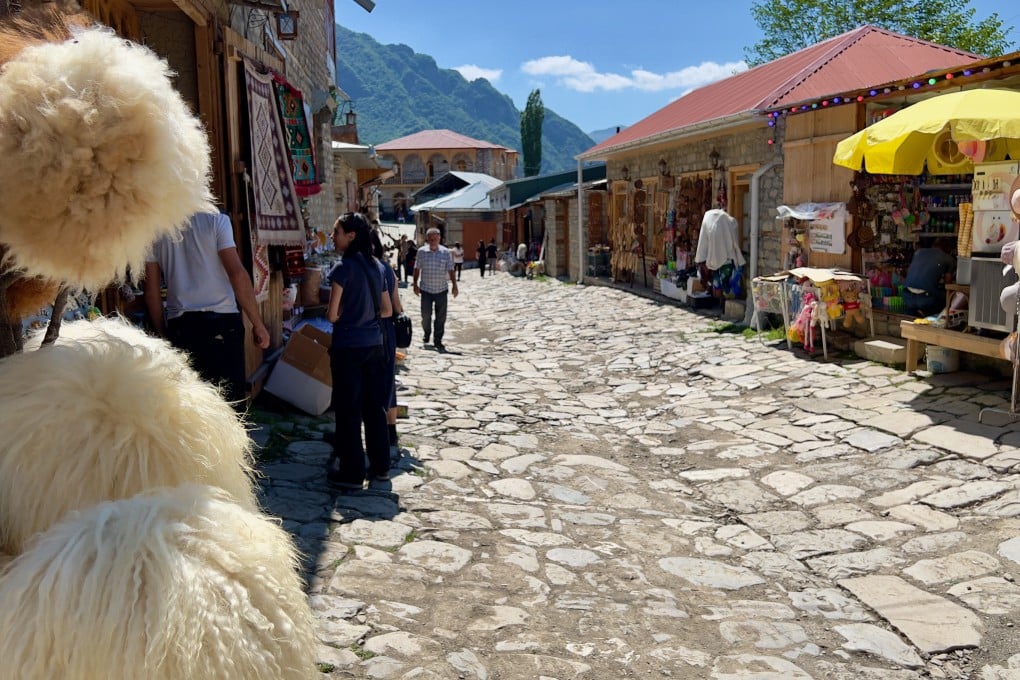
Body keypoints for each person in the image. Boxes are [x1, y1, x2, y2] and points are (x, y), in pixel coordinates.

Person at [144, 211, 270, 404]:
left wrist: (162, 335)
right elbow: (237, 273)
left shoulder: (155, 230)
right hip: (222, 325)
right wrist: (258, 323)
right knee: (228, 404)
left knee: (191, 405)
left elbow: (152, 291)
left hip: (182, 328)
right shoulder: (215, 220)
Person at [324, 212, 393, 489]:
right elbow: (387, 309)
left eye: (336, 231)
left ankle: (352, 473)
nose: (333, 236)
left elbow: (331, 315)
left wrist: (346, 316)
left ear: (350, 236)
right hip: (374, 345)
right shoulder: (378, 266)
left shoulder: (343, 269)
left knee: (349, 410)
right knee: (374, 408)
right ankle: (381, 466)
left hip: (348, 347)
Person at [414, 227, 458, 352]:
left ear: (439, 238)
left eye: (435, 238)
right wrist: (415, 284)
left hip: (441, 289)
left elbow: (451, 269)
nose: (433, 240)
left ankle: (438, 340)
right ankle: (427, 333)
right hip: (426, 290)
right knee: (426, 316)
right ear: (427, 239)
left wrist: (455, 285)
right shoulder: (422, 252)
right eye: (431, 238)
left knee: (441, 317)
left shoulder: (445, 252)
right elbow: (417, 268)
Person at [903, 238, 955, 317]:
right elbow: (948, 284)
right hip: (926, 299)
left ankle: (921, 313)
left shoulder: (918, 252)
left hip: (906, 296)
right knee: (947, 295)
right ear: (948, 249)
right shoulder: (948, 259)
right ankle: (939, 319)